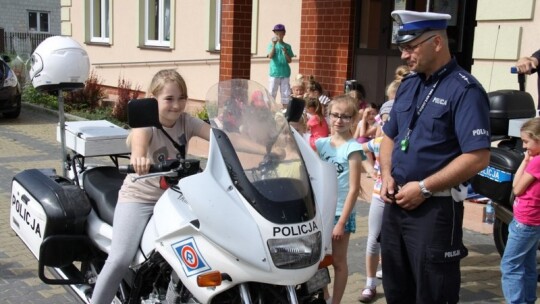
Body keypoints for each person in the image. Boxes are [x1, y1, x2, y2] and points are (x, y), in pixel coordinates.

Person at [379, 10, 491, 304]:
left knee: (432, 294)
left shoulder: (465, 90)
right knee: (396, 290)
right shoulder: (410, 84)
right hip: (396, 205)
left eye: (410, 47)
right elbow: (389, 136)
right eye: (402, 48)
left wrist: (425, 187)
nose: (404, 55)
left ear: (437, 42)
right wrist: (387, 175)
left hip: (435, 211)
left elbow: (478, 157)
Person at [90, 69, 211, 303]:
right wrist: (139, 156)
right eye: (169, 99)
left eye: (181, 98)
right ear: (153, 98)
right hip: (140, 197)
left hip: (175, 198)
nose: (176, 105)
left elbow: (218, 135)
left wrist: (262, 144)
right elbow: (139, 139)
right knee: (120, 258)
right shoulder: (147, 124)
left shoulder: (187, 121)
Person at [315, 95, 364, 304]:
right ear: (328, 115)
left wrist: (342, 222)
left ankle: (336, 301)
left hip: (340, 214)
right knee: (318, 260)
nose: (339, 120)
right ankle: (324, 296)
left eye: (345, 116)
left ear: (353, 119)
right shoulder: (321, 144)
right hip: (321, 211)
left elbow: (353, 190)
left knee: (338, 261)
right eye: (335, 115)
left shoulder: (353, 149)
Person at [358, 79, 401, 303]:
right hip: (379, 196)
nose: (385, 125)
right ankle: (369, 283)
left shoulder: (406, 142)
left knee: (395, 242)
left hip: (402, 198)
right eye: (383, 121)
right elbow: (357, 147)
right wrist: (369, 168)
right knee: (374, 239)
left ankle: (395, 282)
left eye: (390, 121)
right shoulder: (379, 141)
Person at [500, 117, 540, 304]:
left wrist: (525, 162)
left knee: (510, 266)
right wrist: (526, 159)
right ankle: (529, 299)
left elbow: (516, 188)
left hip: (525, 222)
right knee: (528, 265)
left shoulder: (537, 162)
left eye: (526, 142)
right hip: (533, 222)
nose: (524, 147)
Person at [267, 23, 295, 110]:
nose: (278, 35)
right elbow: (270, 56)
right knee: (272, 92)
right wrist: (274, 45)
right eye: (276, 33)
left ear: (284, 33)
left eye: (280, 33)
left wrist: (285, 52)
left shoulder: (287, 46)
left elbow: (289, 60)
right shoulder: (271, 45)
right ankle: (270, 110)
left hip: (285, 72)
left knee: (285, 92)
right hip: (274, 72)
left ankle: (285, 109)